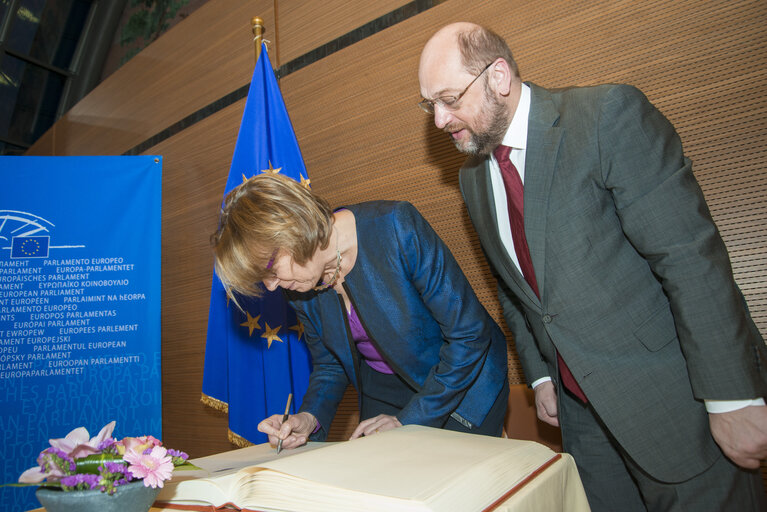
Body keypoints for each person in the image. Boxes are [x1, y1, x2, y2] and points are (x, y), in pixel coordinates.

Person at [417, 22, 767, 512]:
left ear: (498, 76)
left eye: (450, 98)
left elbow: (689, 258)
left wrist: (732, 398)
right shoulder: (473, 181)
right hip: (583, 427)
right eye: (428, 104)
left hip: (677, 408)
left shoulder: (605, 117)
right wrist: (540, 377)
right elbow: (514, 290)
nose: (438, 119)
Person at [211, 173, 509, 449]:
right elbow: (330, 365)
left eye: (270, 271)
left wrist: (408, 421)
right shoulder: (298, 285)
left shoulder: (395, 226)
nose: (273, 287)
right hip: (384, 388)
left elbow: (469, 335)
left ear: (293, 229)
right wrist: (308, 418)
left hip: (461, 381)